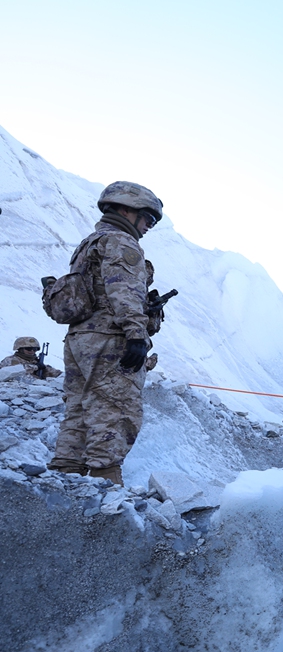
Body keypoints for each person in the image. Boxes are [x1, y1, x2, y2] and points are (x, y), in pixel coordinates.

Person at [47, 181, 162, 485]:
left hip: (78, 339)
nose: (149, 225)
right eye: (147, 218)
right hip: (109, 339)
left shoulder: (89, 243)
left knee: (78, 409)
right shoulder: (121, 242)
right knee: (116, 408)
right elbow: (122, 289)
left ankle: (66, 474)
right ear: (126, 208)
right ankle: (105, 481)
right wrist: (136, 333)